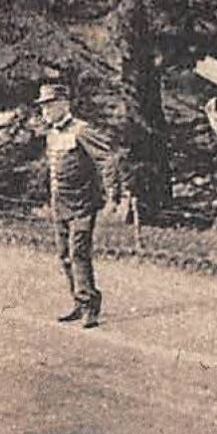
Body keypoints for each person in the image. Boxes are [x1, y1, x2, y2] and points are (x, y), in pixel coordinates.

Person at [35, 83, 127, 328]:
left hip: (83, 204)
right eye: (43, 106)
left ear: (64, 104)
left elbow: (107, 159)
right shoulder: (52, 133)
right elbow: (56, 170)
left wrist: (113, 195)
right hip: (60, 204)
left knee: (79, 253)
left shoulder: (81, 131)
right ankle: (78, 301)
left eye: (49, 105)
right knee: (64, 255)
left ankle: (89, 305)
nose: (45, 111)